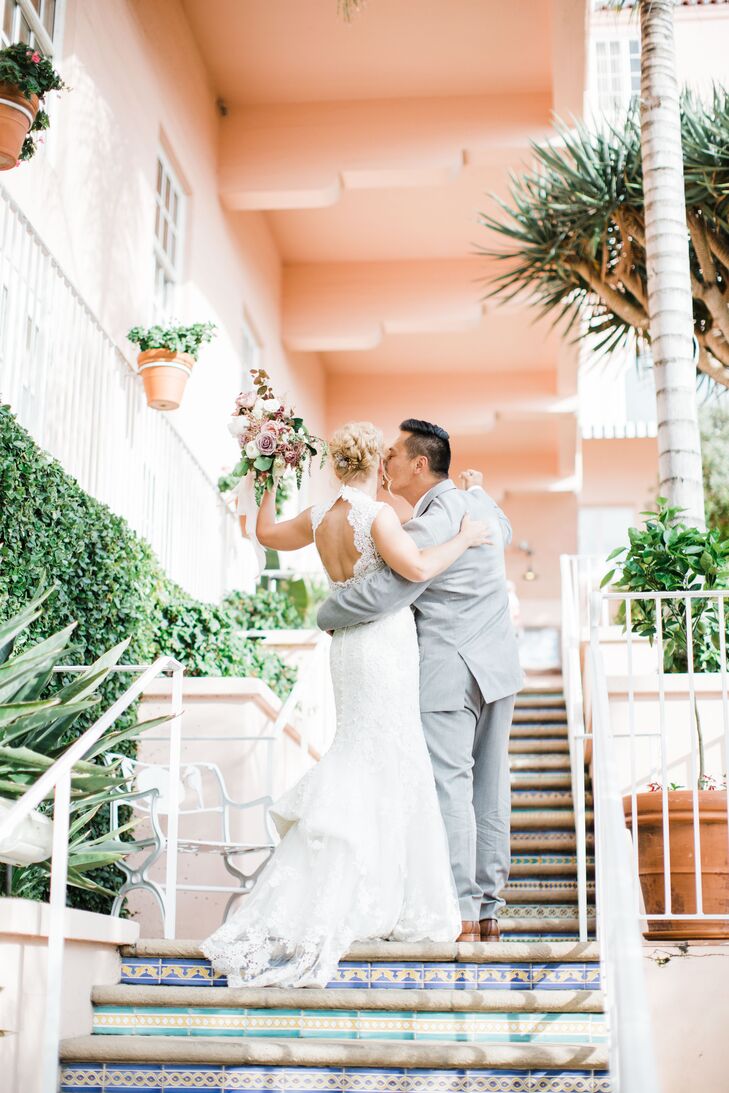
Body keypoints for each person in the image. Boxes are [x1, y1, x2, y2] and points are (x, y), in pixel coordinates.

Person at [201, 421, 489, 987]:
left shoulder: (318, 516)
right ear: (378, 467)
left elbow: (263, 534)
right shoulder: (377, 516)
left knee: (360, 750)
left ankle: (348, 882)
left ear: (334, 464)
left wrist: (268, 477)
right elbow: (420, 567)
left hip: (348, 651)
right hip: (384, 645)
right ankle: (384, 896)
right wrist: (468, 535)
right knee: (393, 758)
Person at [318, 420, 523, 943]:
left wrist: (327, 610)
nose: (385, 460)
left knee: (450, 788)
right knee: (490, 788)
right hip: (499, 667)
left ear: (418, 464)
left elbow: (386, 591)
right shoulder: (478, 507)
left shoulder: (433, 519)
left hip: (449, 672)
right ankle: (490, 909)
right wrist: (478, 489)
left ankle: (462, 910)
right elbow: (504, 528)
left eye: (393, 452)